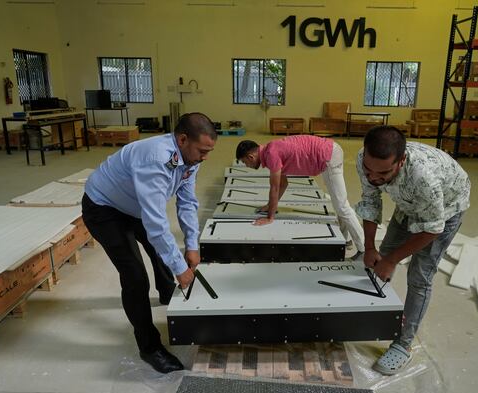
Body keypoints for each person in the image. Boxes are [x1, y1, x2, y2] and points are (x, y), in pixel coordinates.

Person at [82, 112, 217, 374]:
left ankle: (168, 293)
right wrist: (181, 268)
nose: (205, 157)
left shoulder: (191, 156)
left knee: (162, 253)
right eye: (202, 150)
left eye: (209, 151)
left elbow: (187, 201)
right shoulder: (155, 160)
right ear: (182, 139)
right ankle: (149, 348)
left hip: (134, 206)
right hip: (104, 208)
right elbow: (156, 225)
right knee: (135, 277)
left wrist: (192, 245)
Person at [355, 126, 470, 375]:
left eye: (383, 173)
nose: (373, 177)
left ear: (401, 161)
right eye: (369, 170)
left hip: (446, 208)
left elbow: (433, 228)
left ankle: (403, 344)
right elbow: (370, 202)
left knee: (420, 275)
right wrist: (370, 247)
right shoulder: (365, 161)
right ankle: (377, 311)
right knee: (381, 256)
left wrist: (394, 260)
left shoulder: (423, 178)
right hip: (408, 203)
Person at [235, 135, 365, 256]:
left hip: (328, 156)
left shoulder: (271, 154)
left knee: (342, 207)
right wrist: (269, 206)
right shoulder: (271, 150)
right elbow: (283, 184)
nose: (247, 166)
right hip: (329, 151)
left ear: (250, 156)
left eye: (245, 162)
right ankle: (344, 239)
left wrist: (270, 217)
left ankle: (363, 249)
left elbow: (274, 188)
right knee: (339, 203)